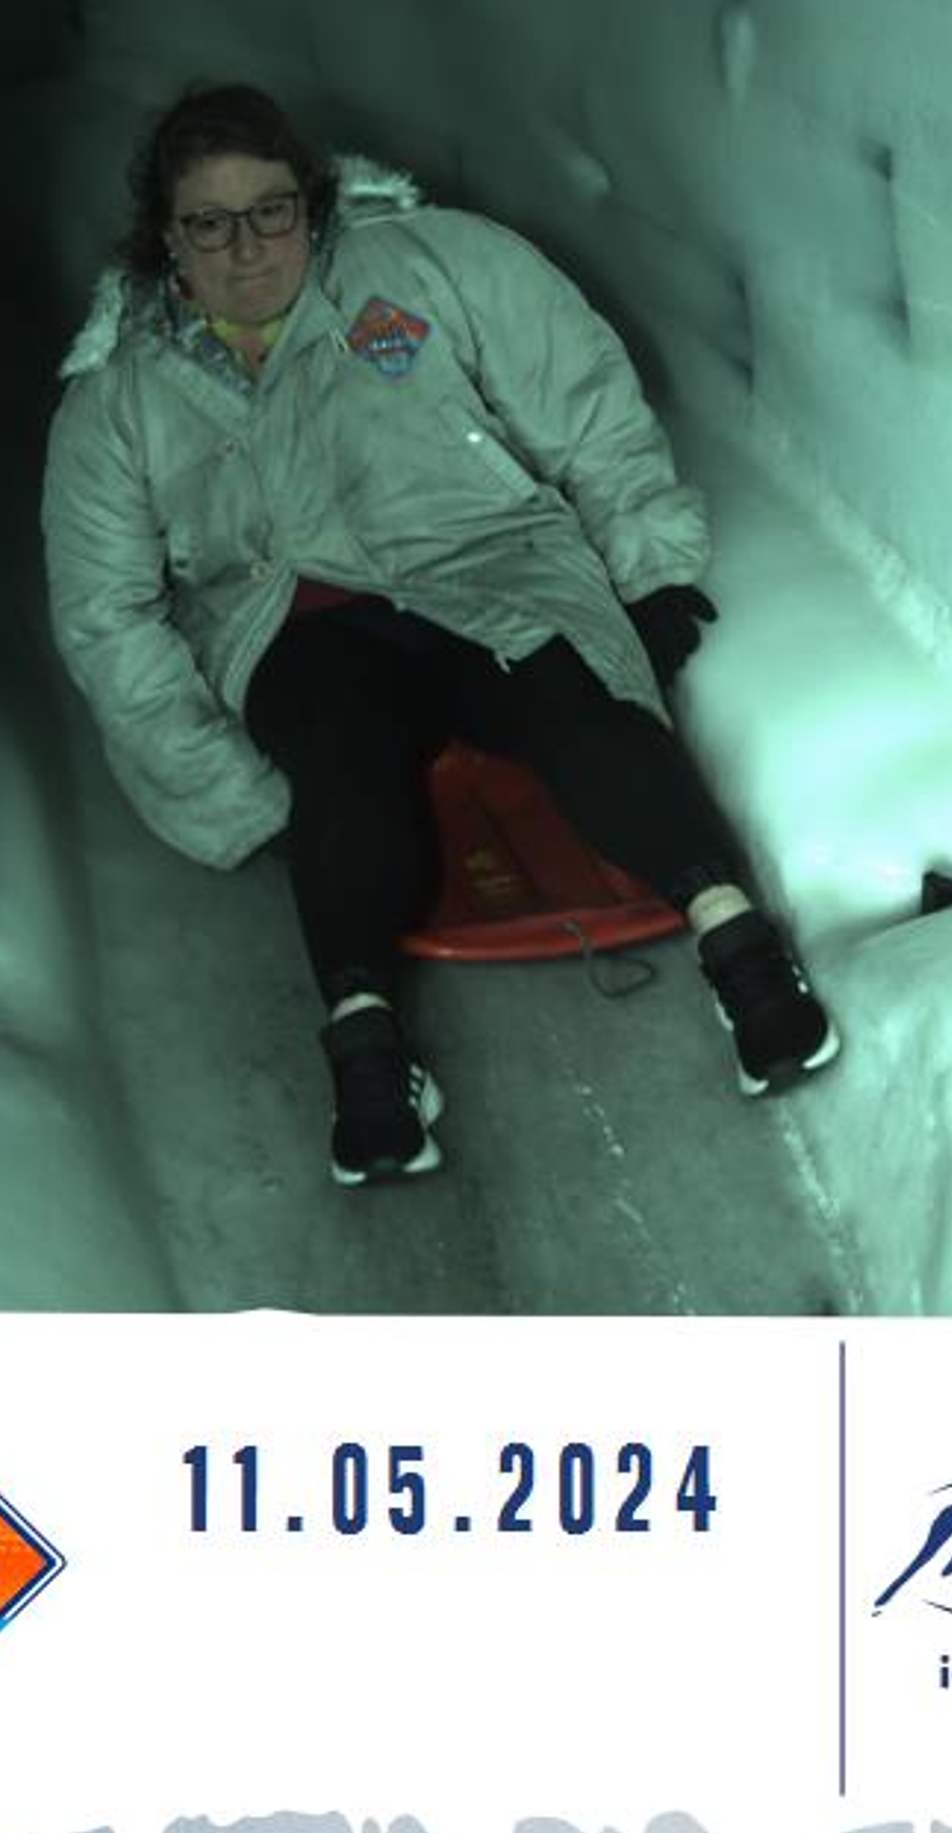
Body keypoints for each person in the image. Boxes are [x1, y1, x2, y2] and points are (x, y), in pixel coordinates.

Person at [42, 83, 838, 1186]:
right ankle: (367, 1050)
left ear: (314, 203)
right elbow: (104, 613)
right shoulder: (120, 398)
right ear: (164, 237)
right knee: (339, 763)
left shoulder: (433, 268)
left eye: (269, 211)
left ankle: (739, 945)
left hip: (485, 568)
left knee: (569, 695)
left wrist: (649, 567)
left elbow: (582, 403)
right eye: (209, 224)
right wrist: (226, 790)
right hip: (296, 625)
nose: (245, 247)